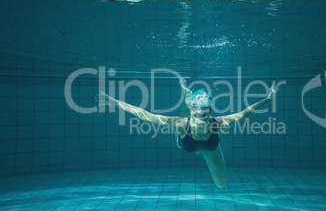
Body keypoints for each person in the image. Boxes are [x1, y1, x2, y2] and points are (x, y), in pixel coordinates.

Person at [98, 78, 278, 188]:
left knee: (222, 185)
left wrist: (269, 99)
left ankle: (186, 95)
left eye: (206, 114)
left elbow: (246, 112)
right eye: (198, 114)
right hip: (186, 140)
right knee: (180, 133)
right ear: (193, 112)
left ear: (210, 112)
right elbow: (146, 116)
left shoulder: (220, 123)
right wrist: (115, 102)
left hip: (211, 148)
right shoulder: (181, 124)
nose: (203, 118)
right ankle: (185, 96)